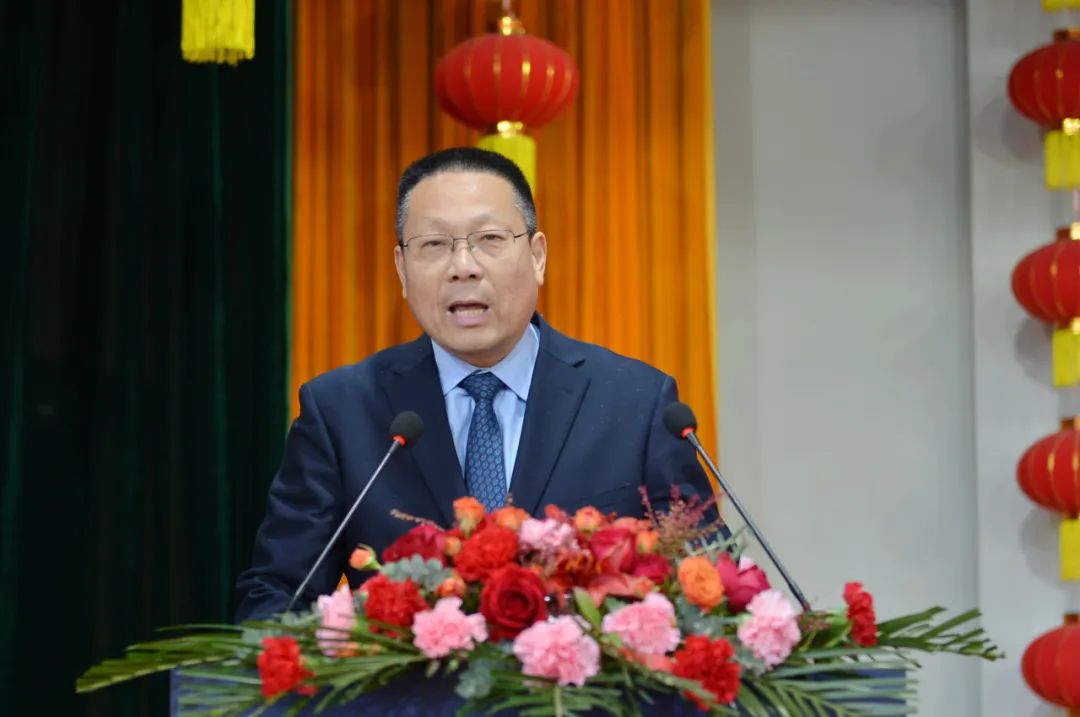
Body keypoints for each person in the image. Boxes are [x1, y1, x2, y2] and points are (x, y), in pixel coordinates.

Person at [234, 147, 716, 621]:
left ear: (537, 256)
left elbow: (708, 589)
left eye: (489, 238)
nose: (463, 266)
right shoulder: (342, 411)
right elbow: (277, 595)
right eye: (434, 244)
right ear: (402, 269)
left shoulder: (637, 403)